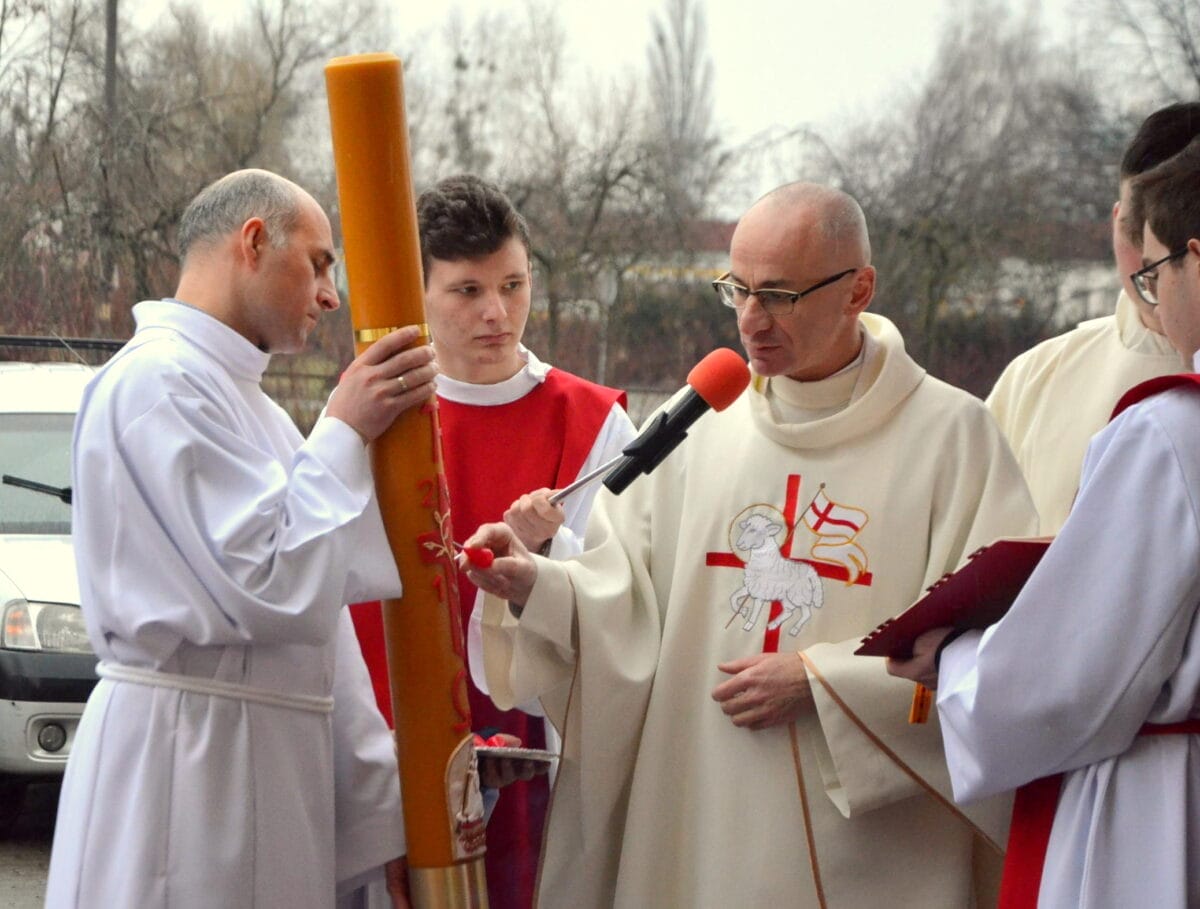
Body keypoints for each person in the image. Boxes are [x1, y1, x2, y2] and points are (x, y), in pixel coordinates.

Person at [461, 182, 1038, 908]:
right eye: (736, 289)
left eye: (779, 296)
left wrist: (826, 683)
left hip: (873, 849)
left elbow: (1000, 649)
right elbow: (623, 600)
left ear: (858, 289)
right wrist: (537, 585)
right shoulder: (697, 424)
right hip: (701, 817)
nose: (750, 320)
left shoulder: (954, 440)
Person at [45, 169, 438, 908]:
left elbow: (324, 638)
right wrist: (344, 428)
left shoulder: (252, 407)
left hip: (266, 759)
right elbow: (269, 583)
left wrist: (379, 814)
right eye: (318, 264)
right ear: (253, 242)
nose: (330, 295)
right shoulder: (157, 383)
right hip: (184, 766)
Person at [888, 137, 1200, 907]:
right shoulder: (1050, 374)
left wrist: (953, 657)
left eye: (1156, 273)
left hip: (1157, 806)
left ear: (1195, 259)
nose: (1150, 295)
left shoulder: (1171, 432)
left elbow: (1067, 682)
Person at [349, 174, 635, 909]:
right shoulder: (372, 419)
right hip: (396, 739)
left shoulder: (594, 424)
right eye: (467, 291)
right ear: (419, 295)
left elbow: (635, 595)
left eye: (513, 284)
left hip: (542, 744)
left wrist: (549, 561)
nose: (497, 312)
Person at [986, 102, 1200, 534]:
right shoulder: (1036, 378)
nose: (1147, 261)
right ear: (1115, 221)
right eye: (1133, 230)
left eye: (1165, 237)